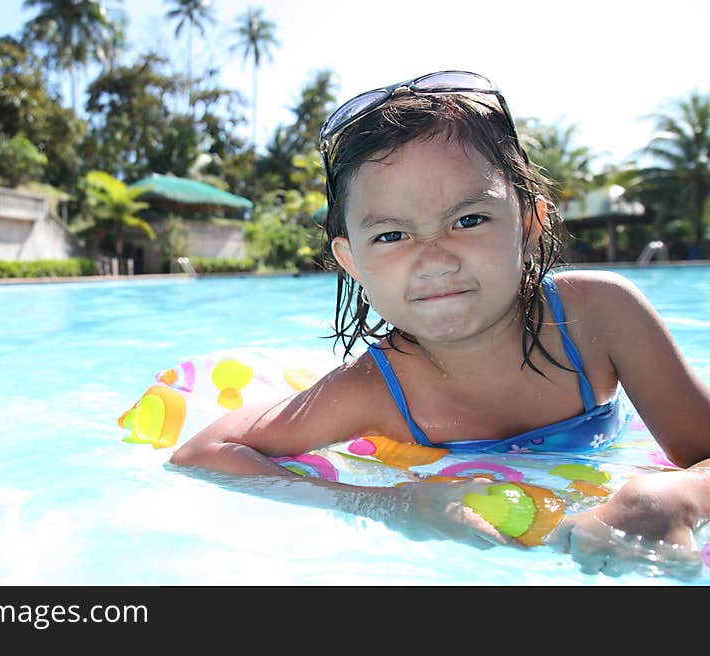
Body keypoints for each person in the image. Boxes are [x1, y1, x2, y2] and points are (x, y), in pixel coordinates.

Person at [170, 70, 710, 576]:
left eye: (468, 219)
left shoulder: (600, 318)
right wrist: (386, 503)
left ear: (528, 225)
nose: (434, 258)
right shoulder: (375, 390)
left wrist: (678, 495)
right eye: (391, 235)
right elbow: (202, 456)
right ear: (352, 261)